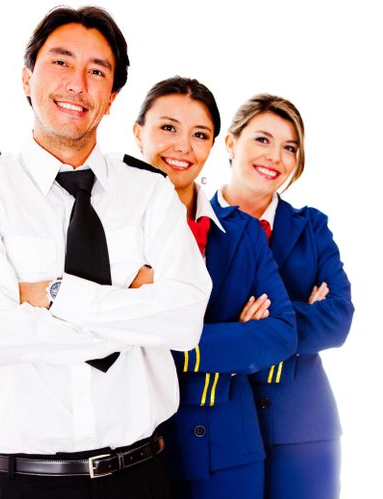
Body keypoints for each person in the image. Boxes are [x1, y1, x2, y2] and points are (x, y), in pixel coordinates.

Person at [0, 7, 212, 499]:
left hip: (142, 478)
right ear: (27, 78)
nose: (78, 84)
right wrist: (135, 314)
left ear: (111, 98)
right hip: (22, 483)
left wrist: (55, 294)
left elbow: (184, 322)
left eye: (97, 71)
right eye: (61, 63)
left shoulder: (150, 191)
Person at [132, 76, 298, 499]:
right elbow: (101, 334)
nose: (183, 146)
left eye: (199, 134)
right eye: (168, 128)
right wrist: (237, 334)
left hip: (230, 450)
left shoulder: (242, 232)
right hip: (140, 450)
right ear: (138, 133)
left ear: (214, 144)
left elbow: (281, 333)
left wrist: (159, 334)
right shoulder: (108, 225)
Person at [221, 93, 354, 499]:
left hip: (305, 426)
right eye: (262, 139)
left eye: (290, 147)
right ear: (231, 143)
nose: (275, 157)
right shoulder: (196, 222)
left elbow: (337, 321)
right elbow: (188, 325)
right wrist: (300, 314)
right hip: (220, 425)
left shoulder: (311, 227)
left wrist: (245, 327)